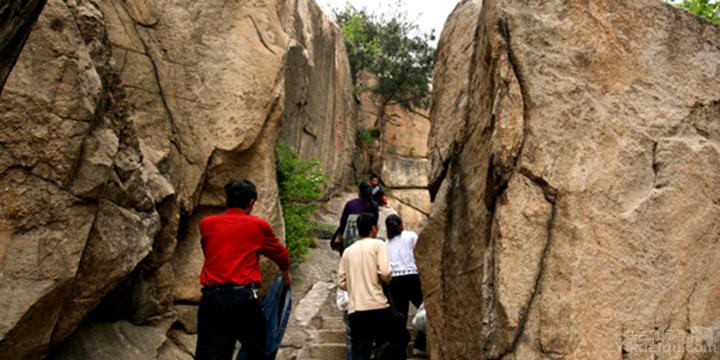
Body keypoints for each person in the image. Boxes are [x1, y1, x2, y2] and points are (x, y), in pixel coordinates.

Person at [196, 179, 292, 360]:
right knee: (257, 350)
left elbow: (209, 253)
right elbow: (281, 255)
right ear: (251, 203)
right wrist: (285, 275)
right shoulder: (257, 226)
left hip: (212, 298)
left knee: (211, 353)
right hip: (243, 298)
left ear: (226, 200)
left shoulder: (207, 224)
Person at [338, 213, 410, 360]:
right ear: (373, 229)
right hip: (377, 306)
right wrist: (384, 280)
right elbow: (385, 272)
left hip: (355, 310)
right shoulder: (378, 244)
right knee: (401, 336)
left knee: (361, 352)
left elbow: (341, 282)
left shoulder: (348, 251)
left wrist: (356, 286)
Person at [385, 214, 426, 355]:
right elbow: (420, 252)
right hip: (412, 277)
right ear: (401, 224)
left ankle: (400, 351)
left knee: (400, 316)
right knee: (425, 309)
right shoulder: (410, 236)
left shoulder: (385, 243)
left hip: (394, 281)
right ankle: (420, 344)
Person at [332, 182, 379, 254]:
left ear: (359, 192)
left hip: (350, 239)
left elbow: (343, 222)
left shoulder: (351, 204)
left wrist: (341, 235)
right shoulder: (374, 205)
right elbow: (375, 222)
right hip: (368, 240)